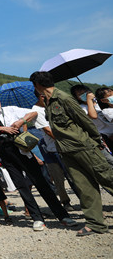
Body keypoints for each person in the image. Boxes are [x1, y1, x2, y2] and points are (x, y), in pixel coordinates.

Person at [30, 71, 113, 236]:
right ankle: (95, 224)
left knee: (107, 177)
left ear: (38, 85)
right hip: (66, 151)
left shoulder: (64, 99)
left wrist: (96, 142)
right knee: (85, 187)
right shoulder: (47, 102)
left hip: (83, 147)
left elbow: (85, 122)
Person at [0, 91, 75, 231]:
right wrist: (1, 129)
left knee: (41, 182)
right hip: (6, 155)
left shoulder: (11, 109)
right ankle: (37, 218)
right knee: (21, 186)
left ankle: (62, 216)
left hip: (22, 150)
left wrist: (21, 121)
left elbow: (33, 113)